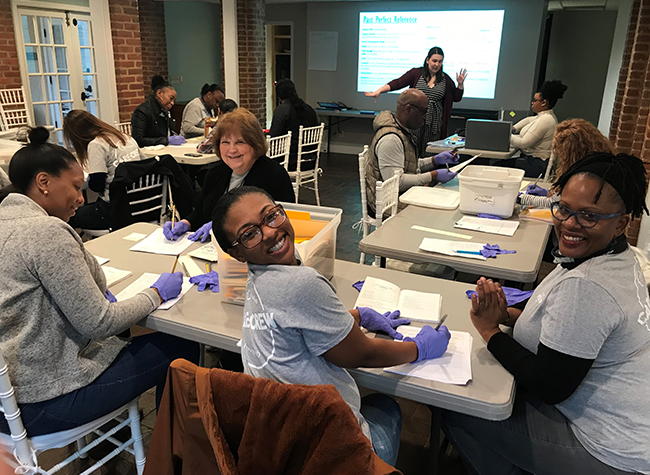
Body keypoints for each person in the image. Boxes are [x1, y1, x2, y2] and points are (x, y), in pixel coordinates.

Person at [211, 185, 452, 465]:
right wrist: (418, 348)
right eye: (250, 234)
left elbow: (293, 325)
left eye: (271, 216)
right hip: (325, 450)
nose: (270, 231)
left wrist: (357, 317)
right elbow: (361, 354)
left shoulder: (258, 276)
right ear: (237, 252)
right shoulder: (301, 283)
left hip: (281, 437)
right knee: (387, 407)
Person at [442, 152, 650, 474]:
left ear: (622, 223)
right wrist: (508, 316)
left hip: (608, 448)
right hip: (633, 427)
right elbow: (562, 321)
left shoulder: (588, 286)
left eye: (589, 216)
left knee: (456, 407)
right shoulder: (616, 257)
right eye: (564, 208)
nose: (569, 223)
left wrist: (489, 331)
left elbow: (549, 385)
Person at [0, 127, 200, 437]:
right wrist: (157, 293)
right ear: (44, 182)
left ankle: (113, 432)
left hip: (8, 397)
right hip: (44, 400)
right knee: (180, 344)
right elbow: (100, 322)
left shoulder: (7, 221)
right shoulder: (45, 233)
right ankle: (171, 451)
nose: (81, 198)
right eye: (76, 187)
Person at [163, 107, 294, 243]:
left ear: (255, 144)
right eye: (225, 142)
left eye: (240, 142)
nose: (232, 150)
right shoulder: (215, 173)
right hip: (209, 248)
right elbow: (201, 213)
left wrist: (219, 227)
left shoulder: (274, 176)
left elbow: (281, 223)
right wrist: (185, 223)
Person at [365, 88, 459, 215]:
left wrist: (434, 160)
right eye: (424, 112)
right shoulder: (391, 139)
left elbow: (406, 164)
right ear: (408, 109)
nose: (426, 117)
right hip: (387, 203)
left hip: (398, 195)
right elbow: (396, 182)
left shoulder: (400, 130)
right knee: (442, 209)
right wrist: (433, 175)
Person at [365, 47, 466, 154]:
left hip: (434, 123)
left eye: (440, 62)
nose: (436, 64)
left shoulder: (445, 79)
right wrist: (379, 91)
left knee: (430, 151)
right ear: (427, 60)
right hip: (415, 119)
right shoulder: (416, 73)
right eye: (434, 61)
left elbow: (456, 97)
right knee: (412, 149)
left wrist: (460, 85)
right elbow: (398, 83)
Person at [63, 109, 148, 230]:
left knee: (69, 215)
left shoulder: (96, 144)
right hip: (140, 202)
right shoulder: (124, 137)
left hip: (116, 209)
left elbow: (97, 185)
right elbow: (144, 164)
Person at [519, 118, 615, 209]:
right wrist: (548, 192)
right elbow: (560, 197)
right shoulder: (598, 162)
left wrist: (521, 198)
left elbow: (558, 204)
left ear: (573, 152)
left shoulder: (585, 175)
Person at [501, 80, 568, 177]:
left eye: (535, 100)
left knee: (496, 166)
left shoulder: (546, 120)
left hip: (536, 165)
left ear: (544, 102)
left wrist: (505, 134)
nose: (532, 103)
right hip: (532, 161)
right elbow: (528, 120)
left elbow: (523, 143)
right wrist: (513, 129)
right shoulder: (543, 116)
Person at [268, 79, 319, 171]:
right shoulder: (308, 109)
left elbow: (273, 135)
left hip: (290, 161)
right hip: (310, 159)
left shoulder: (283, 110)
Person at [131, 76, 184, 147]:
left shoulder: (165, 111)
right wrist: (166, 140)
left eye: (174, 101)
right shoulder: (142, 111)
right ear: (159, 93)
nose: (172, 103)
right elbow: (138, 140)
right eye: (171, 98)